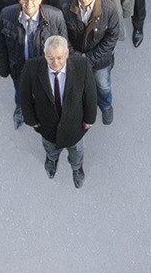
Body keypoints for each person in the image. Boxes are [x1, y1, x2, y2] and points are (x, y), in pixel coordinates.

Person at [17, 33, 98, 186]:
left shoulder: (82, 66)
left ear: (67, 53)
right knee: (50, 148)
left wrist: (89, 119)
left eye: (60, 58)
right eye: (51, 58)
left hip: (75, 127)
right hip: (47, 126)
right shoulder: (31, 68)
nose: (55, 63)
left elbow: (91, 96)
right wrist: (32, 121)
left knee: (77, 152)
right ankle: (52, 160)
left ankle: (77, 168)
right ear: (44, 55)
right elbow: (25, 97)